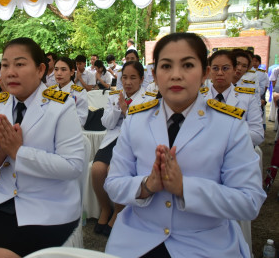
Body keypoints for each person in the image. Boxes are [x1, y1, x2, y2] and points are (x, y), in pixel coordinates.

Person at [104, 33, 266, 258]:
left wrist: (184, 188)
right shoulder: (136, 119)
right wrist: (146, 185)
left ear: (204, 74)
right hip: (138, 239)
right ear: (154, 75)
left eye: (188, 65)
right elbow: (113, 184)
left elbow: (249, 201)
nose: (176, 75)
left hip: (205, 243)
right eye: (166, 66)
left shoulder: (229, 124)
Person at [0, 37, 85, 258]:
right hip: (5, 197)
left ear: (40, 69)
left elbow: (73, 166)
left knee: (2, 256)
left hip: (49, 203)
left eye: (20, 64)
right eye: (5, 65)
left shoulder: (61, 106)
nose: (10, 72)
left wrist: (18, 152)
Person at [92, 61, 155, 237]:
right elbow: (106, 123)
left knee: (115, 170)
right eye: (124, 77)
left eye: (133, 78)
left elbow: (143, 127)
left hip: (133, 141)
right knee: (97, 170)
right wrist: (118, 108)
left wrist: (128, 112)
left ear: (142, 79)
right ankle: (106, 208)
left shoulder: (149, 99)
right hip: (112, 139)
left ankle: (119, 211)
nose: (128, 82)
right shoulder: (114, 96)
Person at [204, 49, 264, 146]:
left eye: (225, 68)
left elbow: (258, 135)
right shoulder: (197, 97)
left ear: (234, 70)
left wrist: (222, 134)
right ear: (209, 70)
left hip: (235, 156)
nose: (220, 73)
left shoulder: (248, 98)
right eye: (215, 68)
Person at [51, 56, 88, 127]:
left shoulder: (79, 93)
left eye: (63, 70)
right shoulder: (50, 91)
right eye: (56, 69)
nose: (59, 73)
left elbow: (81, 121)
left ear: (72, 72)